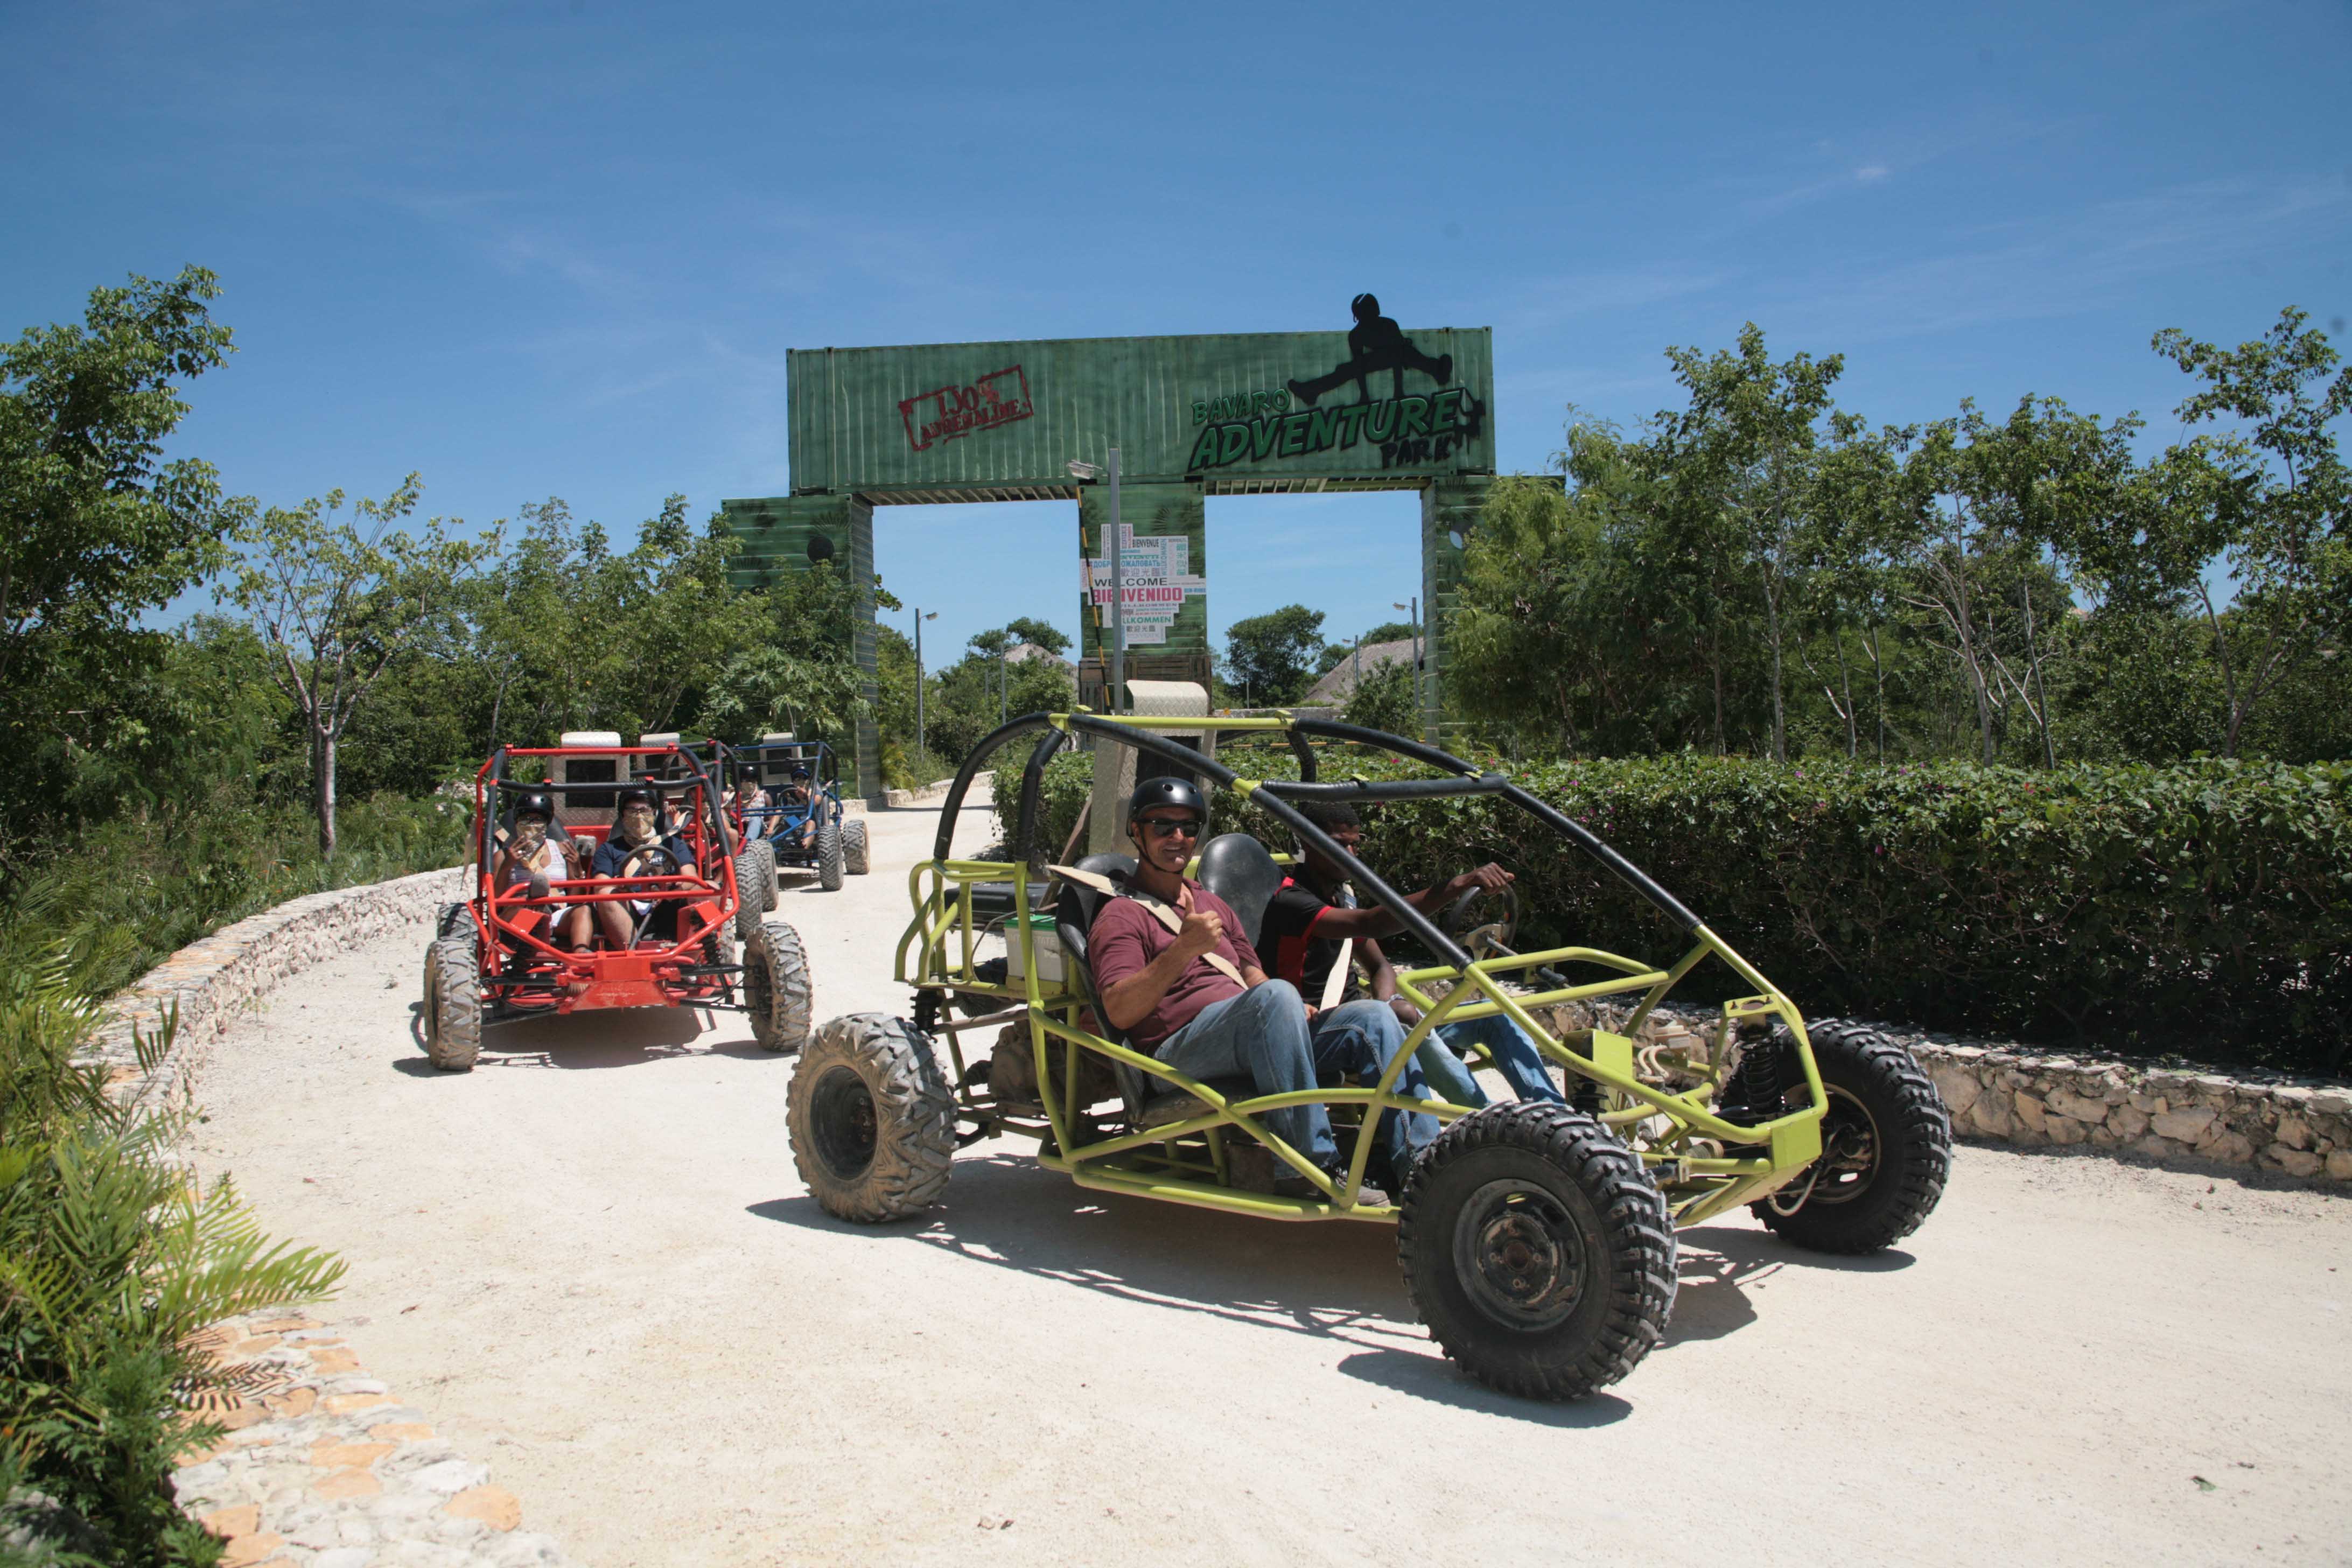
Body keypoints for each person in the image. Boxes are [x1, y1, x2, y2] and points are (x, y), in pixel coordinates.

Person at [1085, 777, 1425, 1202]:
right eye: (1163, 826)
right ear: (1137, 832)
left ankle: (1421, 1163)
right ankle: (1309, 1166)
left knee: (1373, 1017)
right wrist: (1182, 950)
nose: (1178, 837)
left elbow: (1251, 972)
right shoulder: (1121, 915)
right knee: (1275, 998)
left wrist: (1288, 1009)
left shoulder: (1210, 903)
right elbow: (1119, 1010)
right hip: (1179, 1055)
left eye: (1188, 828)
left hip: (1250, 1036)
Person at [1257, 801, 1566, 1111]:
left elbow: (1380, 966)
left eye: (1355, 845)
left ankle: (1552, 1112)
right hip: (1318, 1034)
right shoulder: (1292, 902)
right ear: (1308, 844)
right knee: (1398, 1020)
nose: (1350, 855)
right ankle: (1488, 1118)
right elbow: (1373, 924)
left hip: (1369, 1023)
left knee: (1490, 1013)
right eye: (1339, 845)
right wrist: (1457, 885)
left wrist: (1388, 1002)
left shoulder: (1342, 898)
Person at [491, 793, 593, 986]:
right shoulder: (504, 855)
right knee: (532, 906)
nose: (532, 824)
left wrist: (575, 867)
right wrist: (507, 866)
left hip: (555, 911)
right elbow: (495, 900)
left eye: (538, 819)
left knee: (583, 910)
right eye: (526, 819)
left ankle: (580, 958)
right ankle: (526, 951)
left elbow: (574, 899)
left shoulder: (561, 850)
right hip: (516, 915)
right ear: (517, 822)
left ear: (547, 823)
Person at [590, 785, 698, 948]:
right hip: (628, 906)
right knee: (606, 894)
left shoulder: (672, 843)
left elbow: (691, 877)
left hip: (669, 902)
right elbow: (600, 885)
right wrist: (619, 886)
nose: (639, 816)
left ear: (654, 813)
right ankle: (634, 953)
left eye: (645, 810)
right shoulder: (609, 849)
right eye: (632, 811)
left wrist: (676, 886)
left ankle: (698, 950)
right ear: (622, 815)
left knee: (707, 888)